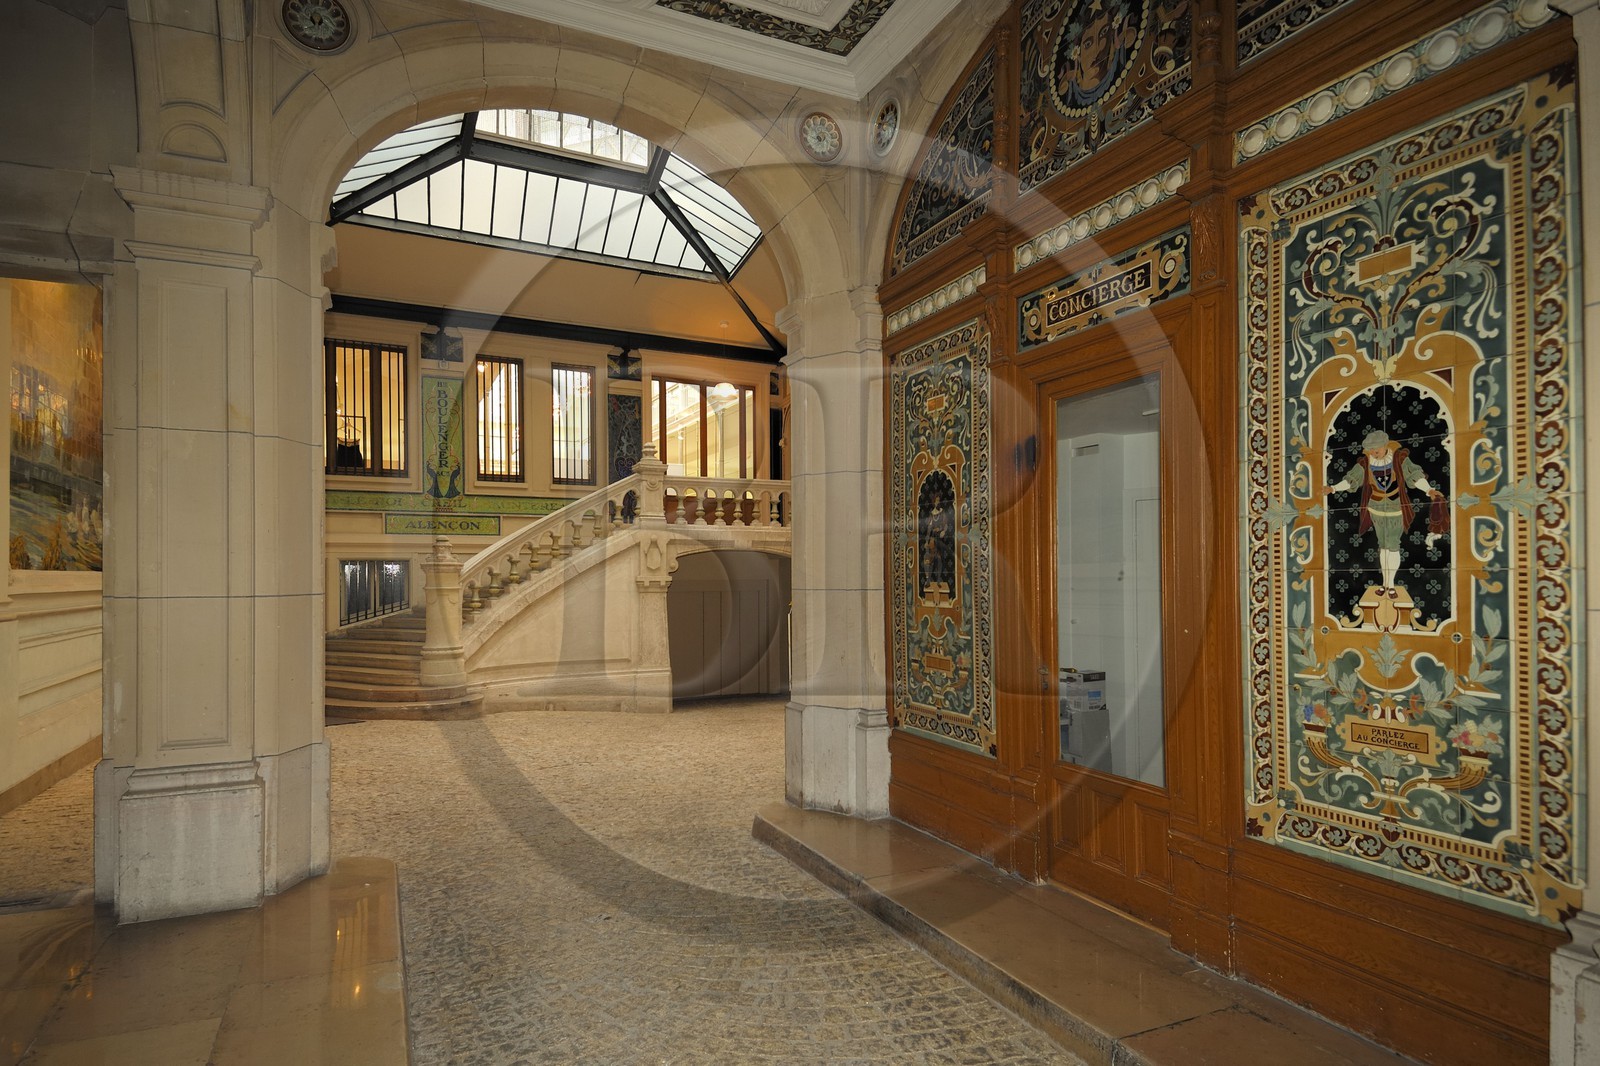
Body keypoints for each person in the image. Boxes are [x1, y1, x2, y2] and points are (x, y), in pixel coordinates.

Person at [1325, 429, 1447, 596]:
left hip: (1395, 507)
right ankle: (1385, 583)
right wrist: (1333, 488)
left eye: (1377, 449)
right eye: (1371, 450)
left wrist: (1429, 490)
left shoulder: (1399, 457)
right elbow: (1351, 480)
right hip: (1375, 507)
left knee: (1393, 545)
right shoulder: (1366, 462)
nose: (1374, 453)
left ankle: (1391, 585)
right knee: (1383, 546)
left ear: (1385, 445)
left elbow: (1415, 475)